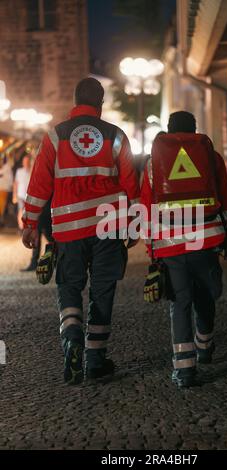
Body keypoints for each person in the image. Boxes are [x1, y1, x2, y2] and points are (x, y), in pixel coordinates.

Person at [22, 77, 140, 385]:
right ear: (100, 104)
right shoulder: (116, 136)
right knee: (103, 290)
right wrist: (135, 223)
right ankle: (95, 360)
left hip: (69, 228)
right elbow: (131, 185)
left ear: (75, 101)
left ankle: (71, 339)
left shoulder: (54, 136)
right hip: (108, 225)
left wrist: (30, 223)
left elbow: (39, 185)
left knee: (70, 287)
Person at [140, 111, 227, 389]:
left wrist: (152, 251)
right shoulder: (212, 158)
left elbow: (147, 209)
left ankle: (184, 371)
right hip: (207, 242)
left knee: (180, 303)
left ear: (169, 132)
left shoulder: (153, 164)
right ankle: (205, 345)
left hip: (169, 246)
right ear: (195, 130)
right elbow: (226, 200)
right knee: (207, 295)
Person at [13, 154, 32, 231]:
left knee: (28, 212)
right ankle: (21, 227)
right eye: (24, 161)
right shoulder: (19, 171)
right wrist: (14, 195)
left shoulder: (31, 171)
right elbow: (15, 184)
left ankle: (27, 227)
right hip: (20, 194)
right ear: (22, 162)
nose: (26, 162)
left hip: (29, 196)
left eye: (27, 161)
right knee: (21, 210)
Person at [0, 156, 13, 227]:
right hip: (4, 189)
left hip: (3, 189)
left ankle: (1, 221)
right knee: (3, 206)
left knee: (2, 206)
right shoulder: (7, 168)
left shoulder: (6, 168)